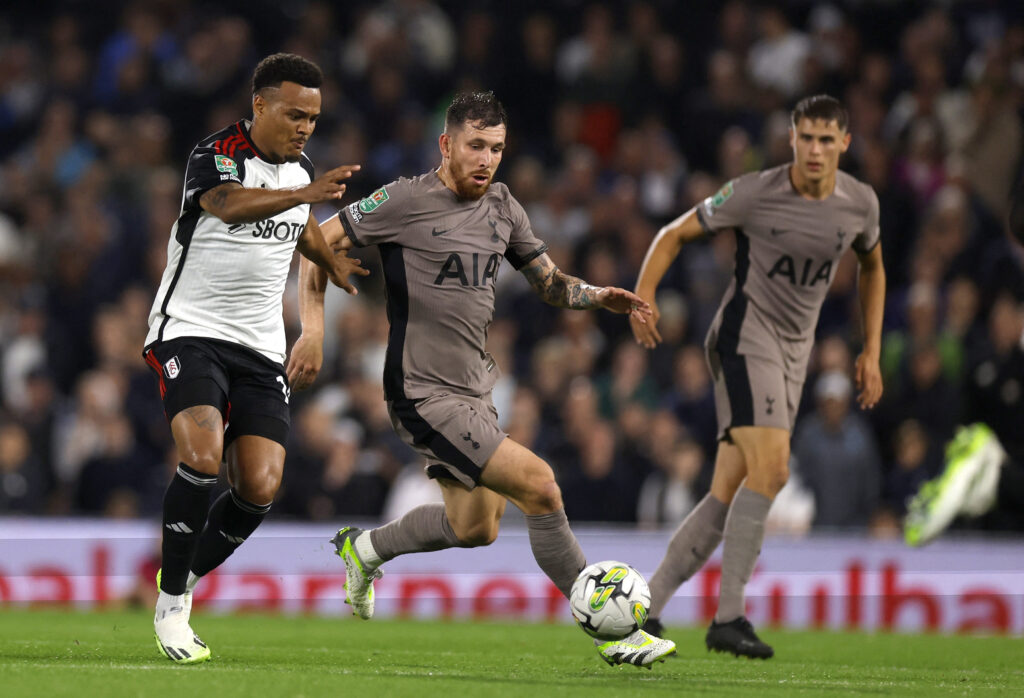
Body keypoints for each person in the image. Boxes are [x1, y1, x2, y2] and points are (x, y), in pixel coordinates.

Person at [292, 91, 675, 668]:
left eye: (496, 148)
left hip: (475, 390)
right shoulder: (402, 200)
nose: (487, 159)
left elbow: (548, 284)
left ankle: (364, 548)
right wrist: (314, 331)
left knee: (475, 528)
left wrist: (597, 297)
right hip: (420, 391)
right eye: (475, 145)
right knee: (542, 486)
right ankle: (616, 633)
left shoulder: (503, 207)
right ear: (446, 145)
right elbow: (313, 244)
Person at [629, 95, 886, 658]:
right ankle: (728, 617)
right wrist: (643, 296)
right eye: (806, 137)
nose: (815, 149)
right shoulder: (753, 193)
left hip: (795, 356)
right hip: (744, 340)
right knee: (772, 471)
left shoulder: (859, 204)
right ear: (791, 138)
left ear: (844, 143)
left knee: (726, 494)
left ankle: (643, 608)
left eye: (827, 139)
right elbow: (673, 232)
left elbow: (872, 264)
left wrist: (870, 350)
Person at [143, 53, 368, 664]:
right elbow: (226, 205)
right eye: (295, 114)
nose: (305, 128)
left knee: (260, 488)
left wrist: (328, 257)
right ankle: (172, 607)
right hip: (189, 330)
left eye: (315, 119)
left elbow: (301, 222)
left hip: (260, 346)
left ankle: (181, 578)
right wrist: (305, 192)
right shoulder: (215, 155)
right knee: (201, 454)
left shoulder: (301, 172)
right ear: (260, 105)